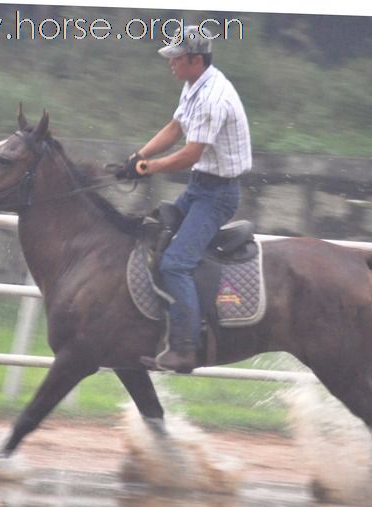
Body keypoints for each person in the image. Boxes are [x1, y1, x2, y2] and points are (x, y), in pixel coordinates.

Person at [119, 25, 252, 373]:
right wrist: (138, 156)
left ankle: (185, 348)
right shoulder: (194, 86)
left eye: (176, 59)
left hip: (217, 195)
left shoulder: (213, 98)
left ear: (195, 59)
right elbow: (175, 127)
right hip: (199, 188)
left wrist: (148, 167)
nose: (171, 64)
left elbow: (190, 154)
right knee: (153, 238)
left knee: (175, 263)